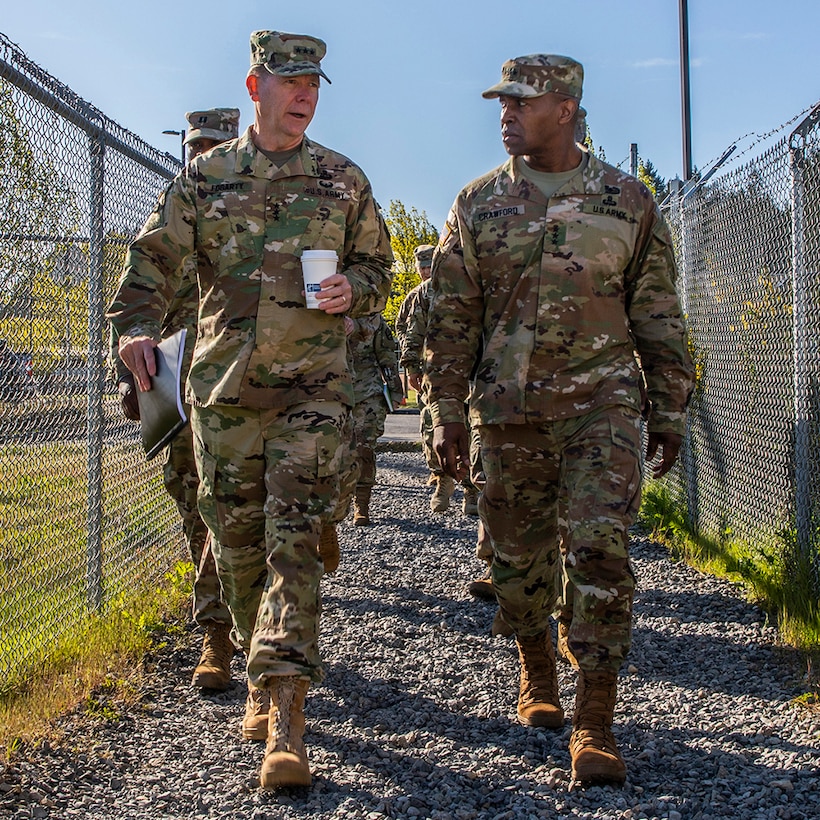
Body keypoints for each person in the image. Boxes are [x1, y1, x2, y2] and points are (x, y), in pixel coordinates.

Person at [107, 30, 393, 790]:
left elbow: (378, 267)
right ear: (254, 85)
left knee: (290, 544)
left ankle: (288, 717)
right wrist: (135, 329)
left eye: (314, 83)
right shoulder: (205, 180)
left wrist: (354, 290)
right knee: (234, 549)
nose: (305, 93)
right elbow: (149, 268)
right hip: (224, 398)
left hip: (312, 393)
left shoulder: (342, 180)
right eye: (290, 80)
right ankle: (255, 655)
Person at [423, 54, 694, 787]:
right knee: (516, 567)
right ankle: (536, 670)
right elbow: (452, 321)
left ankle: (595, 720)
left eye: (522, 101)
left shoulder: (626, 201)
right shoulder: (478, 204)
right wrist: (445, 412)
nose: (505, 112)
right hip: (506, 414)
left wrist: (669, 404)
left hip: (601, 408)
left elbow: (658, 310)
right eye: (502, 101)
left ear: (566, 108)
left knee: (601, 552)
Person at [113, 107, 241, 693]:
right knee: (197, 512)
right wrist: (131, 377)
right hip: (180, 396)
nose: (202, 154)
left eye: (214, 144)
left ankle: (255, 631)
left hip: (243, 391)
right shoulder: (164, 222)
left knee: (247, 514)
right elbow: (140, 309)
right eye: (195, 145)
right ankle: (217, 636)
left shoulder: (247, 215)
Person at [397, 244, 481, 514]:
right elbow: (412, 330)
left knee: (471, 428)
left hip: (472, 371)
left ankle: (471, 490)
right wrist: (411, 365)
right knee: (434, 427)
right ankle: (443, 480)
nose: (425, 270)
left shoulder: (472, 283)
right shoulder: (424, 292)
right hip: (436, 370)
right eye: (421, 266)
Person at [347, 313, 403, 525]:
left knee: (364, 449)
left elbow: (387, 358)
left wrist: (395, 390)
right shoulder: (321, 314)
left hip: (367, 393)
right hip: (331, 394)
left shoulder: (374, 320)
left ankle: (362, 504)